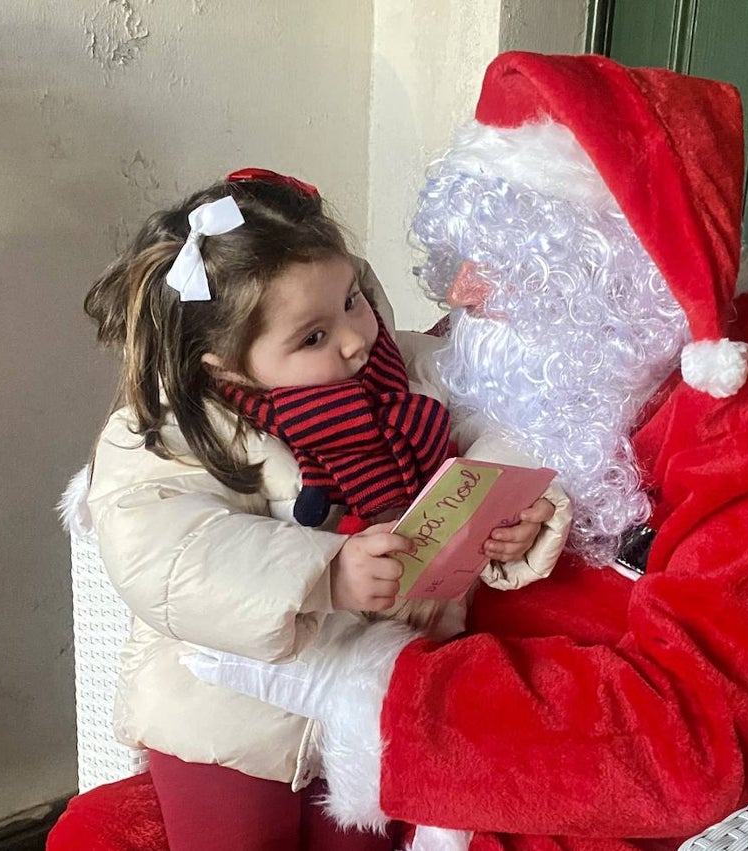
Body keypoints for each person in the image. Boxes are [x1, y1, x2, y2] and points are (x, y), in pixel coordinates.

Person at [184, 53, 748, 851]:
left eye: (512, 257)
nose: (460, 294)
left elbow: (690, 739)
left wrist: (368, 687)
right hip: (441, 749)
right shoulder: (502, 355)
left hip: (599, 791)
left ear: (623, 273)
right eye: (460, 256)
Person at [81, 167, 570, 851]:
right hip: (227, 714)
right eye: (311, 335)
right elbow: (167, 555)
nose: (352, 338)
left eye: (353, 299)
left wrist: (516, 516)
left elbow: (489, 416)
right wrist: (324, 573)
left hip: (366, 697)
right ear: (224, 362)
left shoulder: (398, 368)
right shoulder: (172, 430)